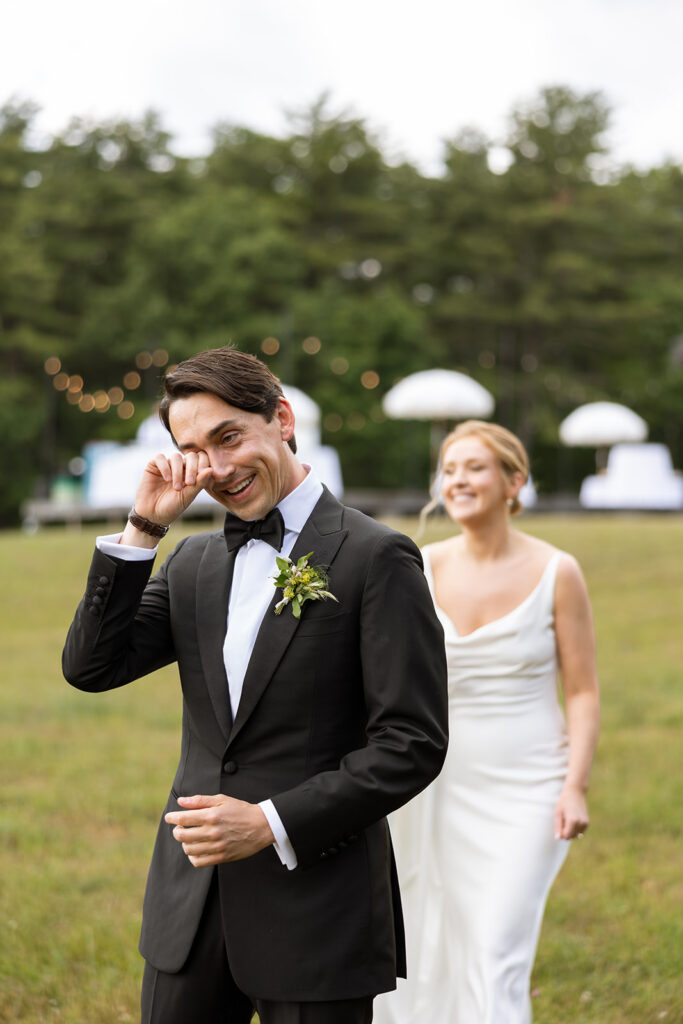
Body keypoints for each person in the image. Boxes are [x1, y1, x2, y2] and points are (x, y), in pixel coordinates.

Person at [62, 345, 448, 1024]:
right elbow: (92, 667)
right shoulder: (193, 563)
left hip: (316, 910)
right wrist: (144, 527)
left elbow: (410, 743)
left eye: (229, 436)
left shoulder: (375, 557)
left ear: (282, 418)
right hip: (189, 909)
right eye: (194, 449)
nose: (217, 467)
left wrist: (268, 824)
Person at [374, 421, 600, 1024]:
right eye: (448, 470)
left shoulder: (559, 571)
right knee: (421, 933)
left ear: (513, 481)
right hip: (428, 783)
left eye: (474, 467)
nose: (457, 481)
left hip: (527, 784)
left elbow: (581, 691)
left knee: (496, 945)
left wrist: (573, 785)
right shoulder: (419, 566)